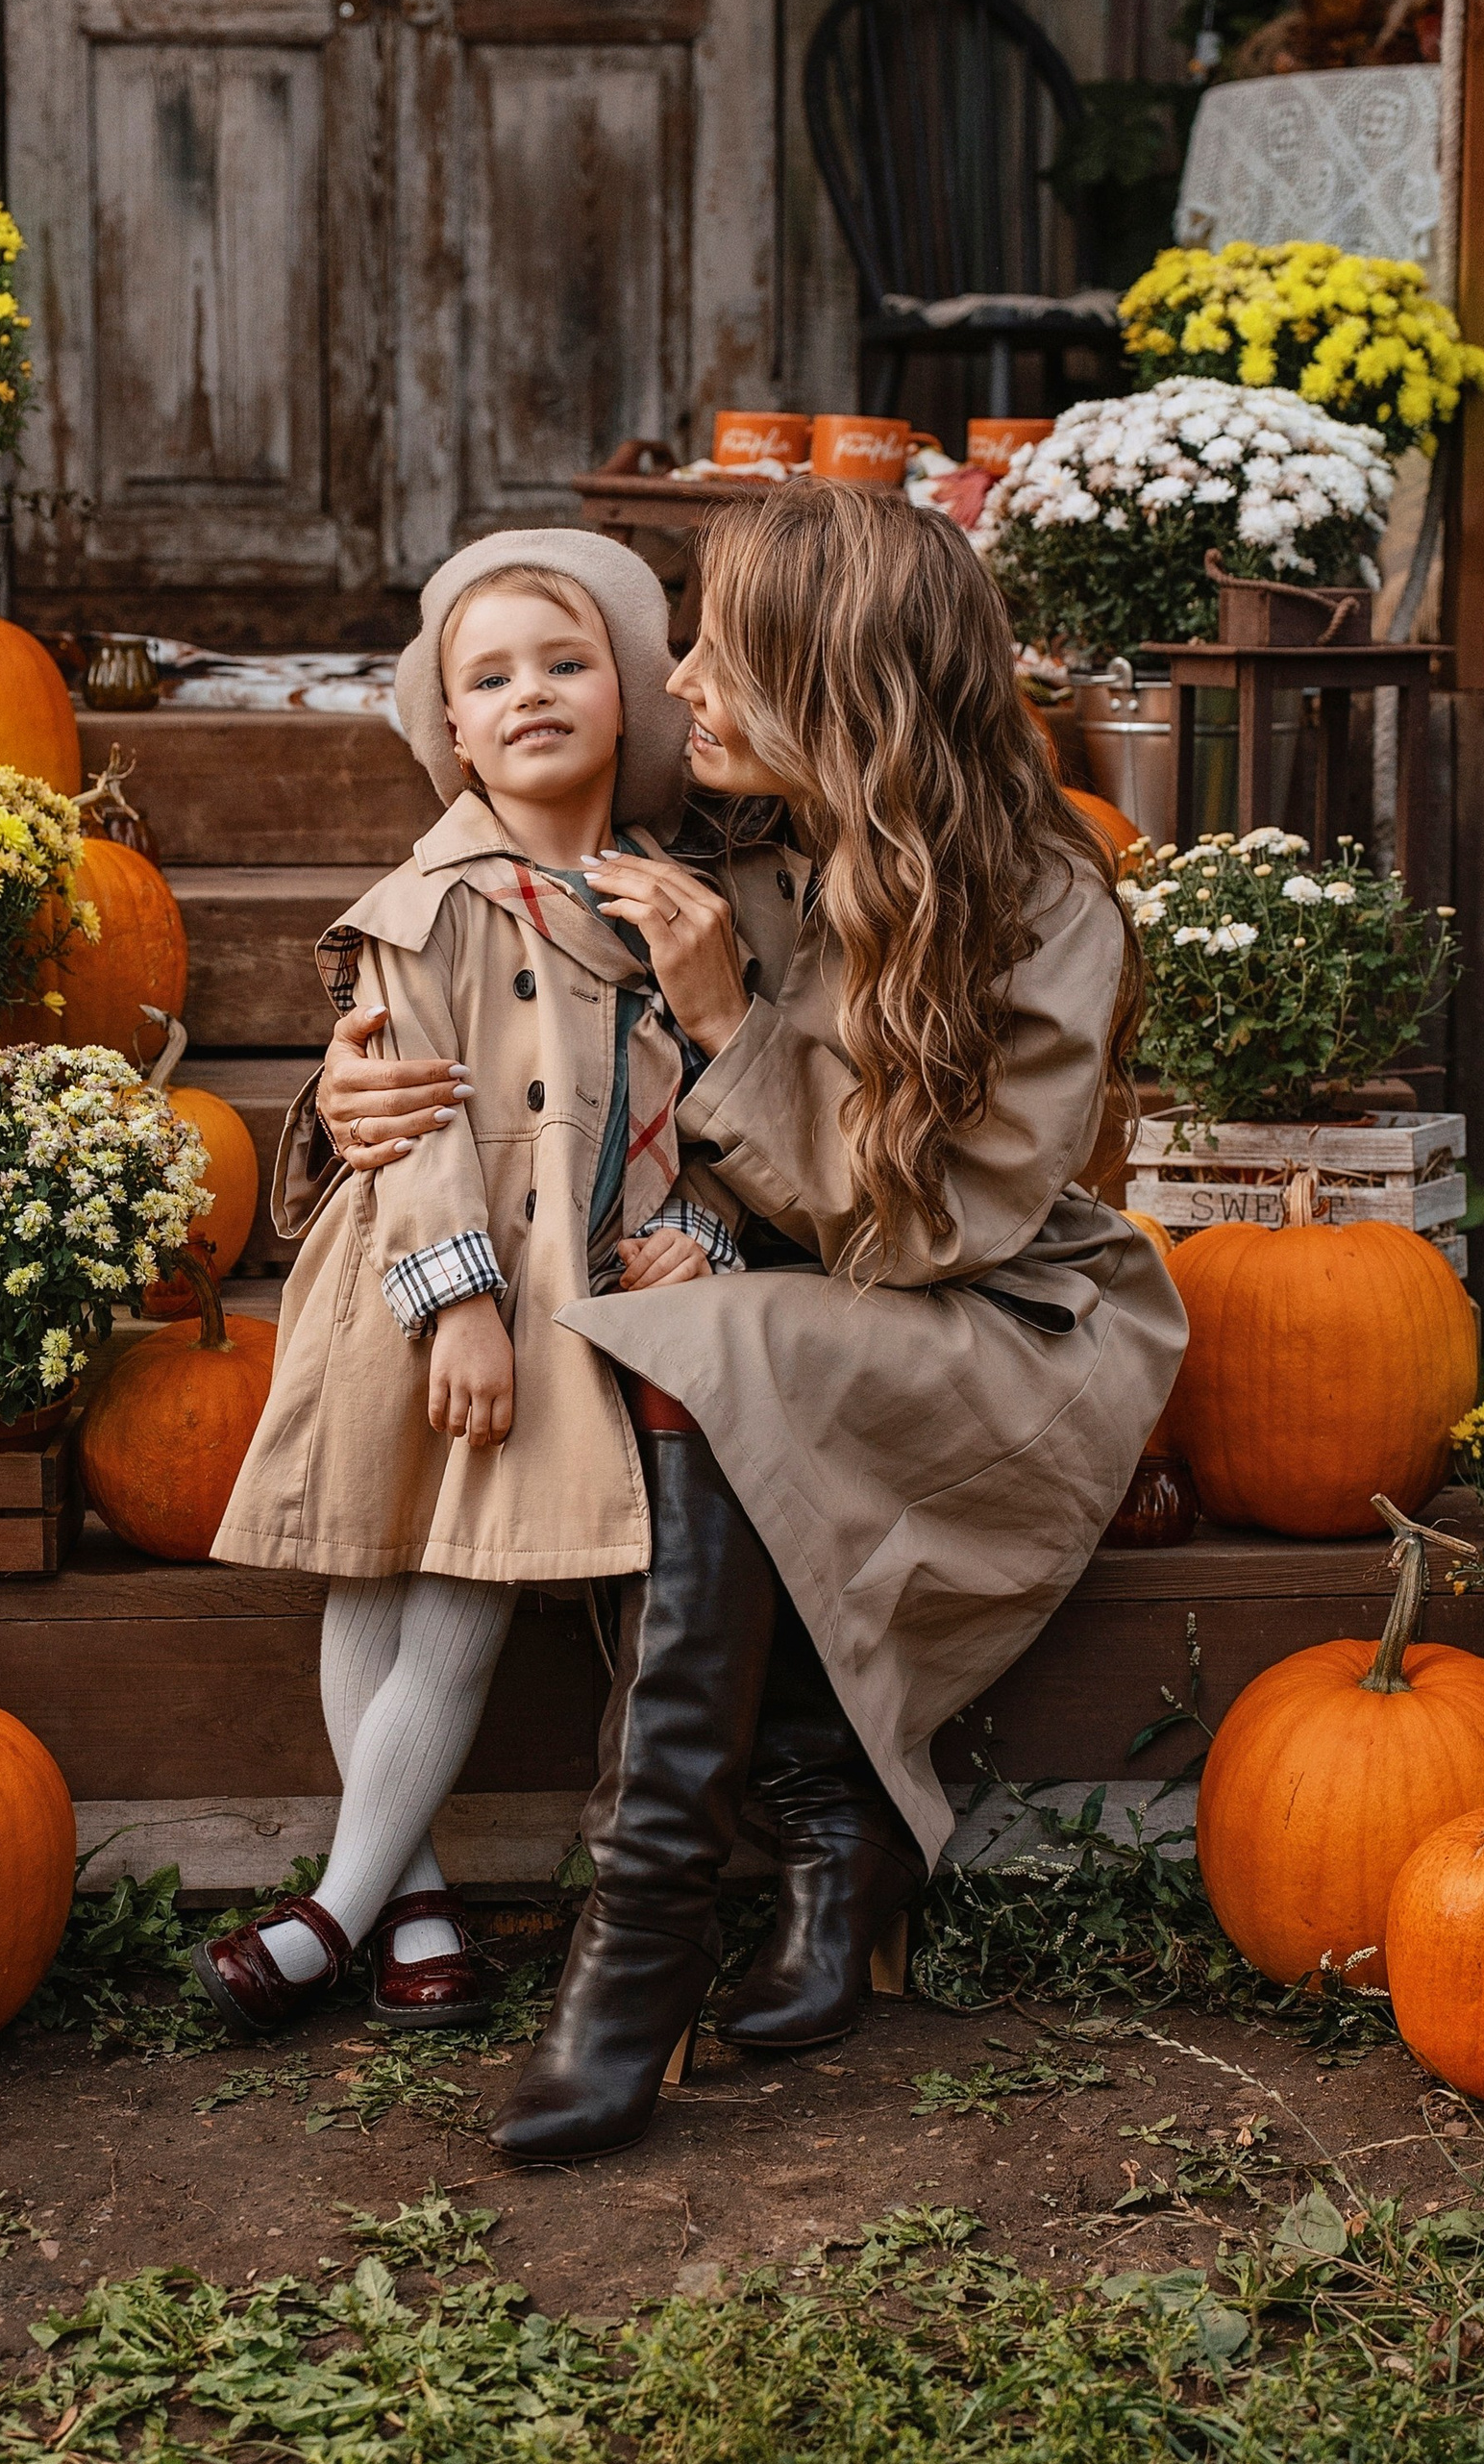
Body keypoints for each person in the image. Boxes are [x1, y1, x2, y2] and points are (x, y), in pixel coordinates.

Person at [316, 479, 1187, 2160]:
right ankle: (812, 1825)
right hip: (796, 1290)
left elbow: (943, 1220)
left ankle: (636, 1942)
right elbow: (488, 939)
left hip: (994, 1315)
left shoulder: (1043, 900)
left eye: (725, 648)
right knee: (693, 1335)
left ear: (839, 689)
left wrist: (727, 1021)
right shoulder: (732, 831)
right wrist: (356, 1085)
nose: (679, 679)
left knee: (707, 1339)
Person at [190, 530, 743, 2040]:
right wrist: (463, 1306)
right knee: (377, 1554)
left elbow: (691, 1104)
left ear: (626, 699)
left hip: (568, 1276)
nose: (530, 694)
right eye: (487, 676)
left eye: (565, 664)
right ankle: (385, 1900)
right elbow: (416, 1124)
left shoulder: (665, 907)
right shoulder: (421, 904)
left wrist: (704, 1231)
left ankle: (356, 1908)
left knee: (467, 1570)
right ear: (448, 729)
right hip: (423, 1287)